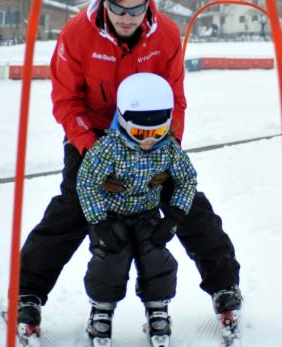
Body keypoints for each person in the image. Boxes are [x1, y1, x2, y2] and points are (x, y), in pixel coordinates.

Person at [15, 0, 242, 340]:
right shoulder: (77, 33)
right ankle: (26, 292)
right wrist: (94, 153)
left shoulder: (165, 34)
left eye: (136, 10)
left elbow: (175, 98)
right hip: (93, 137)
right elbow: (66, 100)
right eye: (119, 9)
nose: (127, 18)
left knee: (186, 201)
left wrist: (168, 146)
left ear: (148, 6)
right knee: (75, 204)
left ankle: (225, 287)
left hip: (151, 137)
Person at [78, 73, 196, 346]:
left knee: (157, 258)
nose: (149, 140)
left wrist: (174, 216)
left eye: (157, 132)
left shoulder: (167, 149)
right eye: (141, 133)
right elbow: (86, 182)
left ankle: (158, 308)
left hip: (147, 215)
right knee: (110, 258)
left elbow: (187, 178)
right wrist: (99, 222)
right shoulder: (108, 148)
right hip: (112, 216)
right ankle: (101, 310)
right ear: (122, 119)